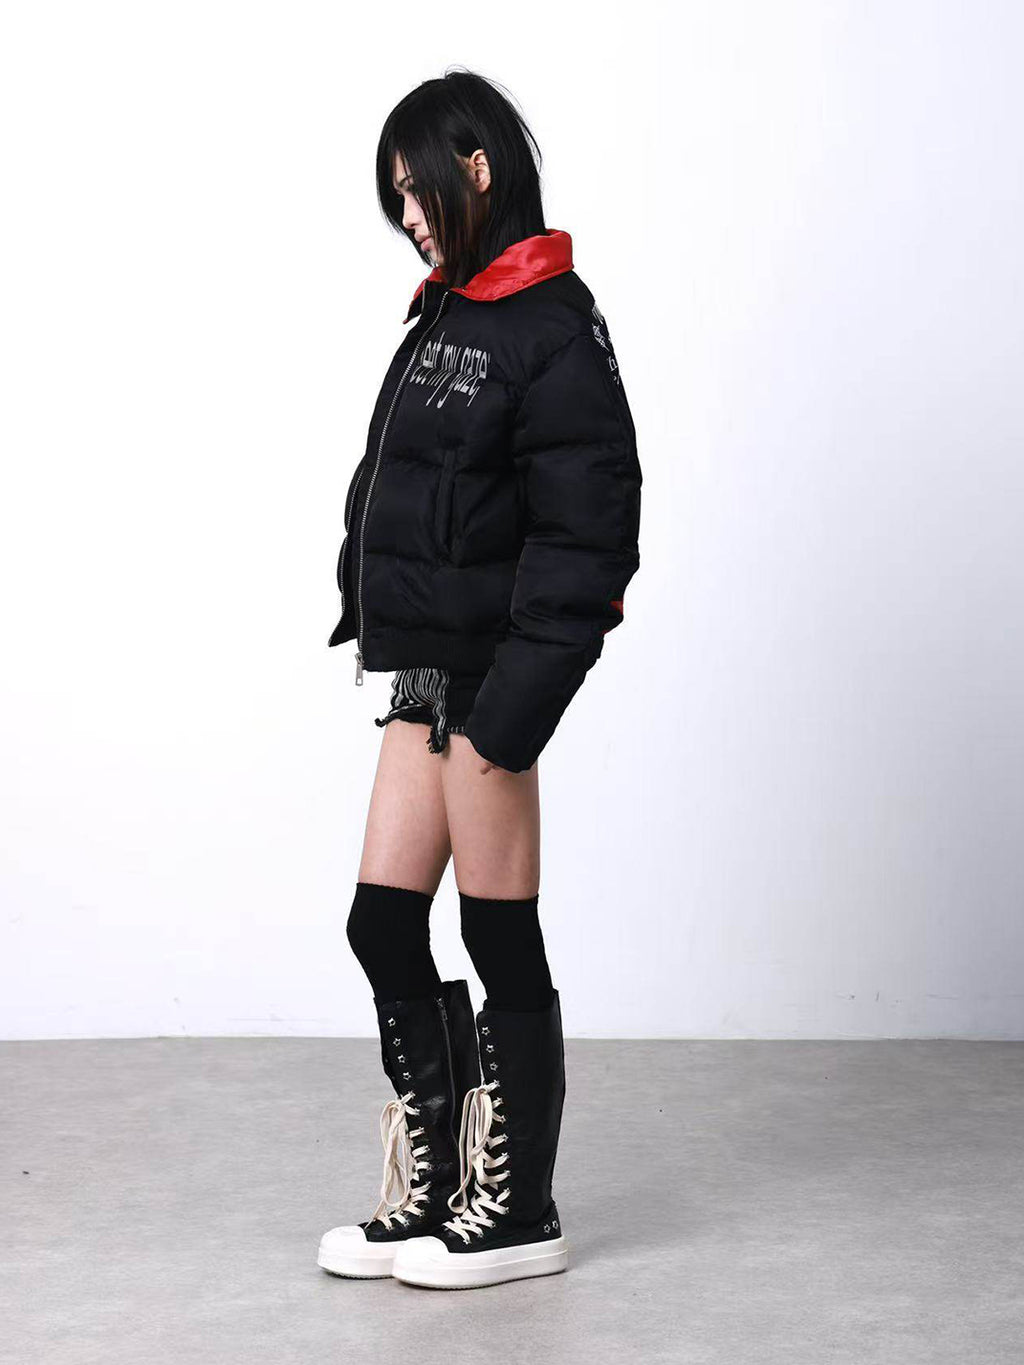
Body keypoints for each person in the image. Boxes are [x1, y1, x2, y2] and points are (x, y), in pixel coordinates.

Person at [317, 69, 641, 1291]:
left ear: (479, 167)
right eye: (394, 198)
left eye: (418, 189)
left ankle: (519, 1207)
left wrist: (513, 713)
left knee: (498, 934)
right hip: (423, 679)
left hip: (491, 686)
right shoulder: (449, 313)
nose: (407, 215)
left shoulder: (552, 322)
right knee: (380, 922)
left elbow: (590, 537)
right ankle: (442, 1189)